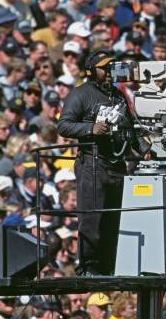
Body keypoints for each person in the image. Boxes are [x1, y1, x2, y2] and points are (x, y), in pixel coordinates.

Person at [58, 49, 138, 276]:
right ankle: (88, 267)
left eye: (113, 67)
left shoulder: (119, 95)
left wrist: (145, 150)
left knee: (114, 219)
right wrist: (89, 129)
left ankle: (109, 266)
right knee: (91, 219)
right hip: (92, 163)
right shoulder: (81, 94)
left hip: (117, 164)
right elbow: (63, 125)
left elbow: (130, 129)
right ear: (91, 71)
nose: (110, 72)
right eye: (105, 67)